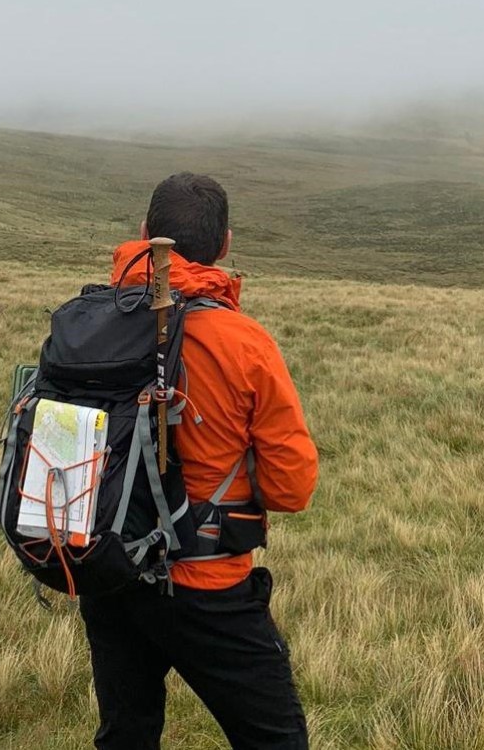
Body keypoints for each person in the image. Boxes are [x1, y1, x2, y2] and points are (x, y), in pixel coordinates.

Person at [78, 172, 319, 750]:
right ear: (226, 244)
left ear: (143, 234)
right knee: (276, 741)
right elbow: (292, 489)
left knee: (126, 733)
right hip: (207, 582)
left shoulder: (90, 322)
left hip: (108, 568)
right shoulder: (245, 344)